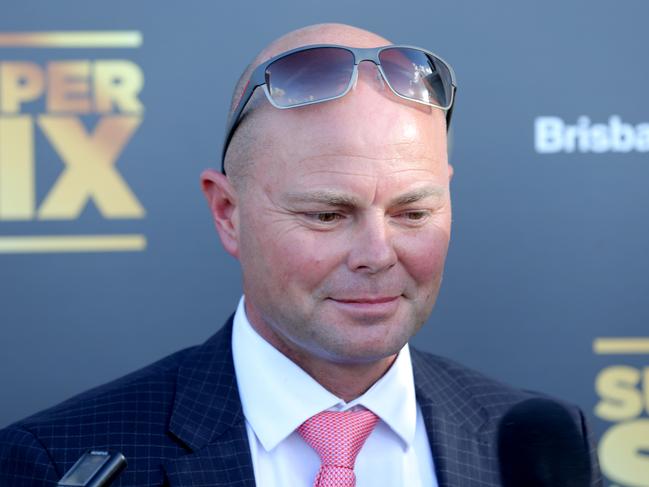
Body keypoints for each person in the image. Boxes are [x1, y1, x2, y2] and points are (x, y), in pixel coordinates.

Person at [0, 23, 601, 486]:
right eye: (327, 215)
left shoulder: (539, 445)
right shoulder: (59, 459)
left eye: (413, 213)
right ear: (227, 214)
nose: (377, 254)